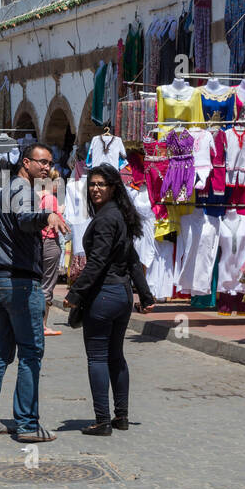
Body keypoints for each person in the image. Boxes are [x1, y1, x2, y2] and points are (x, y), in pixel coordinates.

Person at [0, 144, 68, 442]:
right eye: (41, 162)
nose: (46, 168)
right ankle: (27, 424)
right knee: (30, 353)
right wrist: (46, 217)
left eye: (50, 163)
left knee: (1, 351)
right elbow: (27, 219)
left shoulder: (6, 191)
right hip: (20, 284)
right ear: (25, 163)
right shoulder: (23, 191)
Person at [64, 164, 155, 435]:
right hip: (122, 297)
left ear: (114, 187)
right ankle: (122, 417)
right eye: (92, 184)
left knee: (97, 358)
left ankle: (102, 420)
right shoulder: (119, 216)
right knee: (116, 356)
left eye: (101, 184)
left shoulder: (106, 219)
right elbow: (132, 260)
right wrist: (145, 295)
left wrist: (76, 293)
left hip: (104, 296)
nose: (95, 189)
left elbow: (99, 262)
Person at [39, 183, 65, 337]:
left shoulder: (36, 197)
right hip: (49, 242)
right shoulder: (50, 199)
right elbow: (57, 226)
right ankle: (42, 325)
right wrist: (61, 214)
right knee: (47, 285)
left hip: (38, 242)